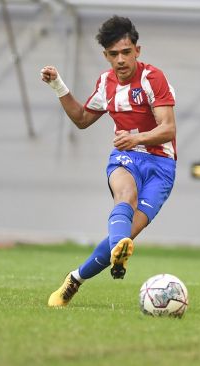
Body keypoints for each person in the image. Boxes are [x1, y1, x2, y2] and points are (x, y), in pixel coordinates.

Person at [42, 15, 177, 307]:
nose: (120, 60)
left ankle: (74, 279)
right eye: (113, 54)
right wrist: (58, 85)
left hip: (161, 166)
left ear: (137, 51)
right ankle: (120, 252)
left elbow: (168, 129)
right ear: (105, 56)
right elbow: (81, 119)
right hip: (125, 157)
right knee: (124, 196)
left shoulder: (153, 78)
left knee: (126, 233)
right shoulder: (105, 83)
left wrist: (137, 137)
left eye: (126, 52)